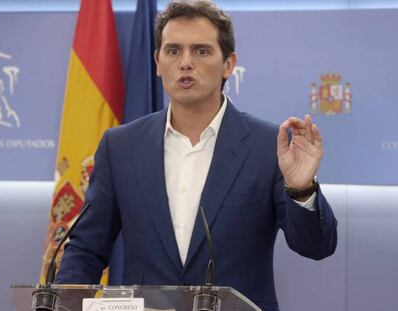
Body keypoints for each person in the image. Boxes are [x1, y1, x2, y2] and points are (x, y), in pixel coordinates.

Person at [56, 1, 337, 310]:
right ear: (158, 62)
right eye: (173, 51)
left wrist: (301, 189)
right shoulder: (120, 146)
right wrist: (62, 303)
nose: (185, 63)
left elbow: (315, 247)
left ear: (229, 64)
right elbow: (87, 248)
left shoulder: (268, 145)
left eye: (201, 51)